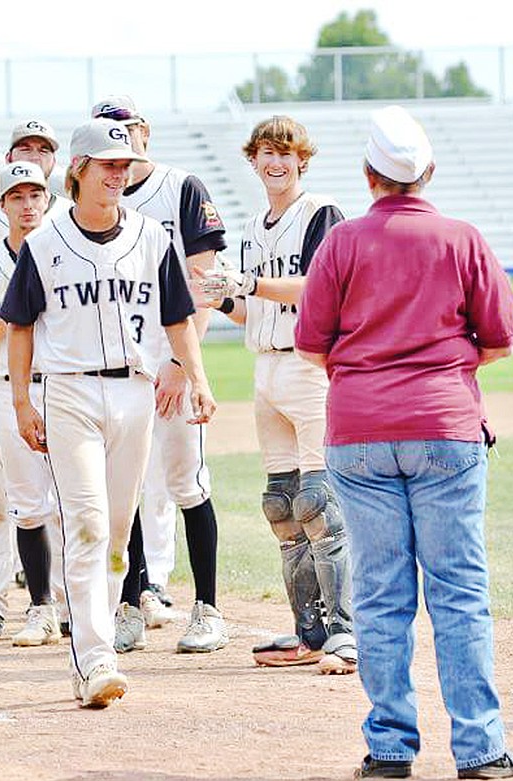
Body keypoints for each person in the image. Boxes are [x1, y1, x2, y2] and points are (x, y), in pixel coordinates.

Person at [295, 106, 513, 781]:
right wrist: (444, 371)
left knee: (382, 591)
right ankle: (479, 749)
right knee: (459, 589)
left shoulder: (341, 243)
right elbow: (501, 340)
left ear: (369, 175)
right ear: (428, 172)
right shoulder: (463, 238)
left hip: (360, 432)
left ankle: (390, 748)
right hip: (446, 427)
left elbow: (311, 343)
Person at [0, 119, 215, 708]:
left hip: (135, 393)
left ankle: (101, 640)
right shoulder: (45, 243)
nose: (118, 175)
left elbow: (177, 317)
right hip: (69, 391)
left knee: (120, 532)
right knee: (88, 523)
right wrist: (22, 400)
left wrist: (196, 377)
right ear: (78, 171)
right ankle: (93, 656)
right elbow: (19, 327)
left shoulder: (149, 237)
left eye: (124, 166)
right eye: (106, 166)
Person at [191, 115, 356, 674]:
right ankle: (308, 630)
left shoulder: (320, 212)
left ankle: (344, 631)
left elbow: (321, 286)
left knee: (319, 505)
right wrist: (221, 297)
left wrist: (250, 284)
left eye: (285, 152)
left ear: (302, 159)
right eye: (265, 152)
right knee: (282, 508)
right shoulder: (256, 227)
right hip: (266, 368)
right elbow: (253, 308)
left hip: (310, 368)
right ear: (253, 159)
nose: (276, 161)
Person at [93, 94, 229, 654]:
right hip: (120, 367)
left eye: (124, 129)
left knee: (186, 484)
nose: (119, 143)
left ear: (143, 130)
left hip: (172, 361)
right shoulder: (97, 197)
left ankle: (208, 608)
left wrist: (182, 360)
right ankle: (129, 602)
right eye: (106, 133)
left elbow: (208, 281)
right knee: (121, 490)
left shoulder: (181, 188)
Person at [0, 160, 66, 645]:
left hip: (65, 385)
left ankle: (69, 605)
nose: (28, 206)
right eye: (17, 197)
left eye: (35, 195)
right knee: (19, 501)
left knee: (71, 501)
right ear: (1, 204)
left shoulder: (65, 251)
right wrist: (18, 306)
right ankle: (29, 605)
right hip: (8, 386)